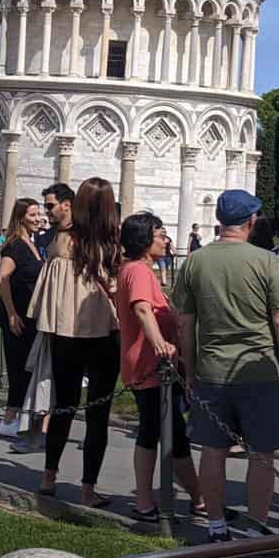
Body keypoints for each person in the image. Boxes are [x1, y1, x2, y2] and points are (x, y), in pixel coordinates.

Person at [176, 190, 279, 542]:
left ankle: (215, 526)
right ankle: (256, 530)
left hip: (212, 371)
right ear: (251, 221)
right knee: (262, 455)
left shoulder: (196, 261)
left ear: (219, 220)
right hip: (258, 371)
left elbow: (185, 324)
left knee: (213, 452)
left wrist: (190, 370)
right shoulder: (267, 262)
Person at [29, 176, 120, 507]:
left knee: (63, 405)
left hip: (66, 332)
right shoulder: (109, 245)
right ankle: (87, 488)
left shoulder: (60, 242)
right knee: (98, 412)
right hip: (103, 334)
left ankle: (49, 476)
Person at [118, 211, 202, 523]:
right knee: (160, 430)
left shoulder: (137, 269)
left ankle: (195, 498)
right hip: (150, 364)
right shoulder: (139, 271)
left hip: (152, 364)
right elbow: (141, 308)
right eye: (160, 235)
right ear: (143, 241)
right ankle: (151, 500)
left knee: (167, 431)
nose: (166, 240)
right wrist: (159, 343)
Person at [0, 197, 43, 438]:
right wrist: (12, 313)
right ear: (21, 217)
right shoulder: (15, 245)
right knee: (18, 368)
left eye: (39, 214)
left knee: (26, 368)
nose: (38, 218)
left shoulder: (31, 244)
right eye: (33, 215)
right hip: (17, 318)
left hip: (29, 317)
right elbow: (2, 277)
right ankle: (9, 418)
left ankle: (20, 415)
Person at [39, 183, 74, 258]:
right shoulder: (46, 237)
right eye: (45, 206)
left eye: (50, 206)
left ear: (66, 205)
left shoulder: (82, 236)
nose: (46, 211)